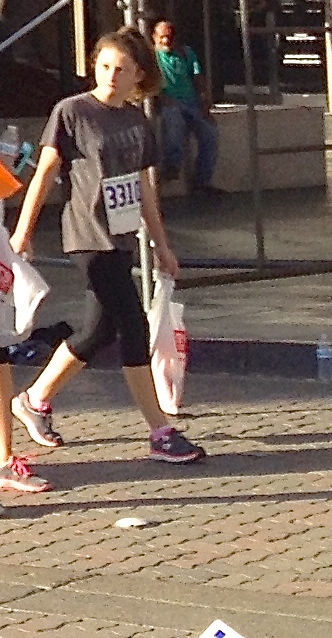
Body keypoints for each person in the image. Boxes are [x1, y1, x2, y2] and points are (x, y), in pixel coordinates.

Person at [11, 25, 206, 465]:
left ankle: (35, 398)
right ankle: (159, 430)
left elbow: (143, 187)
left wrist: (161, 244)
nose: (111, 76)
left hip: (120, 234)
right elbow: (45, 172)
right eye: (103, 66)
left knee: (98, 330)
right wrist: (24, 230)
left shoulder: (136, 121)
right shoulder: (72, 111)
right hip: (86, 234)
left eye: (121, 69)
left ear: (139, 74)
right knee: (133, 327)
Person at [150, 18, 217, 195]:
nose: (166, 41)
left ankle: (202, 181)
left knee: (210, 133)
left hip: (191, 102)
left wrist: (204, 100)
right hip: (169, 102)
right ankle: (172, 166)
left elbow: (197, 75)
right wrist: (160, 97)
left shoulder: (186, 52)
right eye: (162, 37)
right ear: (154, 37)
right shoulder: (151, 57)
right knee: (174, 122)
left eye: (170, 36)